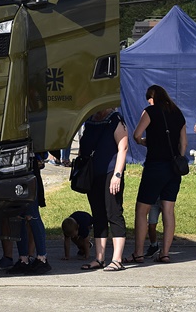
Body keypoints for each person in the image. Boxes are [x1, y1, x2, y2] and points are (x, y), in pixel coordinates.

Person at [125, 84, 187, 264]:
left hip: (155, 166)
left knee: (141, 210)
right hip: (173, 169)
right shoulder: (178, 113)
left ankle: (138, 253)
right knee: (168, 210)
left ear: (152, 98)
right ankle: (165, 253)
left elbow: (137, 135)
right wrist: (177, 158)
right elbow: (183, 143)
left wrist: (145, 142)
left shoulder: (150, 111)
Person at [78, 108, 128, 271]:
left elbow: (123, 148)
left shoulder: (115, 119)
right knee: (98, 215)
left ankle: (117, 259)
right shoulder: (90, 120)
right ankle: (99, 258)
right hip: (93, 175)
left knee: (114, 213)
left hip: (111, 173)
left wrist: (117, 174)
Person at [8, 153, 51, 274]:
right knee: (20, 217)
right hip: (16, 169)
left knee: (32, 216)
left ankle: (41, 258)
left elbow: (43, 152)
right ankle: (24, 259)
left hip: (27, 170)